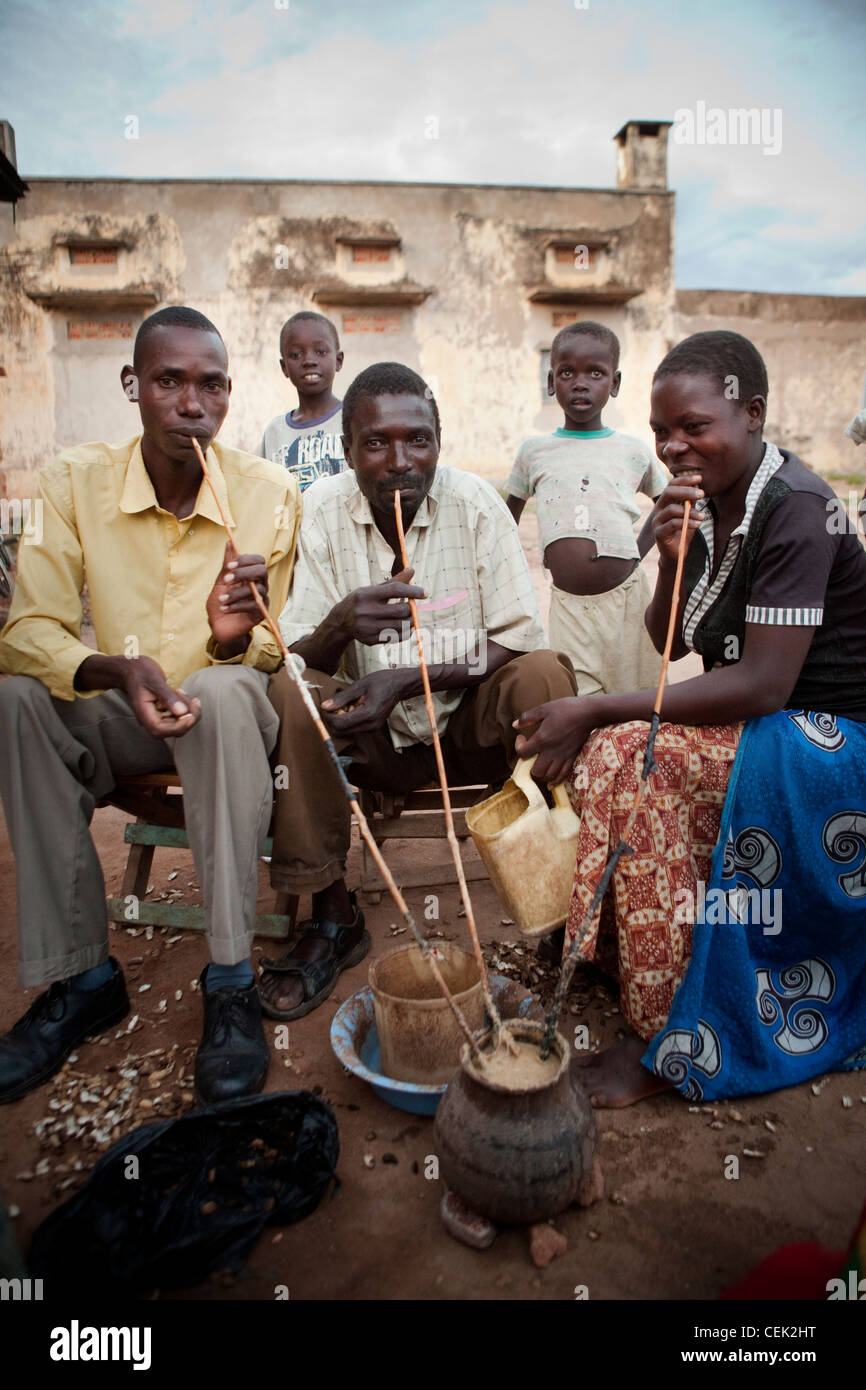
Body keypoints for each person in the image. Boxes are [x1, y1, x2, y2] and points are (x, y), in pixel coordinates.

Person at [513, 330, 866, 1107]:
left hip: (828, 745)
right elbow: (669, 642)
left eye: (695, 427)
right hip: (765, 731)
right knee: (614, 746)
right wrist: (671, 556)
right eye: (662, 430)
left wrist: (600, 705)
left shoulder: (799, 508)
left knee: (629, 754)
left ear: (753, 414)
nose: (674, 446)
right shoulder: (700, 505)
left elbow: (767, 685)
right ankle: (624, 957)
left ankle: (666, 1032)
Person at [0, 306, 301, 1107]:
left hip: (225, 722)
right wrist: (116, 667)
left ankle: (232, 979)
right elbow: (28, 629)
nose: (190, 404)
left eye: (210, 385)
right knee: (18, 699)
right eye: (169, 381)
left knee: (223, 685)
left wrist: (231, 640)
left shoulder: (267, 493)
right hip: (120, 712)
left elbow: (276, 651)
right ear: (134, 385)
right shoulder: (74, 480)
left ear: (229, 396)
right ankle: (82, 977)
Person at [258, 362, 577, 1020]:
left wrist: (405, 676)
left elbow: (517, 638)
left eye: (419, 440)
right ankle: (332, 913)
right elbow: (296, 653)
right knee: (289, 690)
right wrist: (341, 623)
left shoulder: (475, 503)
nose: (400, 461)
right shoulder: (319, 510)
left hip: (466, 730)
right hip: (365, 737)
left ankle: (556, 906)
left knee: (545, 674)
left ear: (440, 440)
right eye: (376, 443)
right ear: (347, 449)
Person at [506, 320, 668, 696]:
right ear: (550, 383)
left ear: (615, 384)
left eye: (595, 372)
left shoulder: (633, 450)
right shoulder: (534, 452)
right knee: (576, 702)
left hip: (629, 603)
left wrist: (637, 552)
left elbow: (666, 503)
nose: (580, 382)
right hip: (567, 608)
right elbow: (505, 521)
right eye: (567, 372)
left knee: (641, 699)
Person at [259, 311, 346, 491]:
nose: (309, 361)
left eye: (320, 352)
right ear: (284, 367)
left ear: (338, 360)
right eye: (296, 354)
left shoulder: (354, 419)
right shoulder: (275, 432)